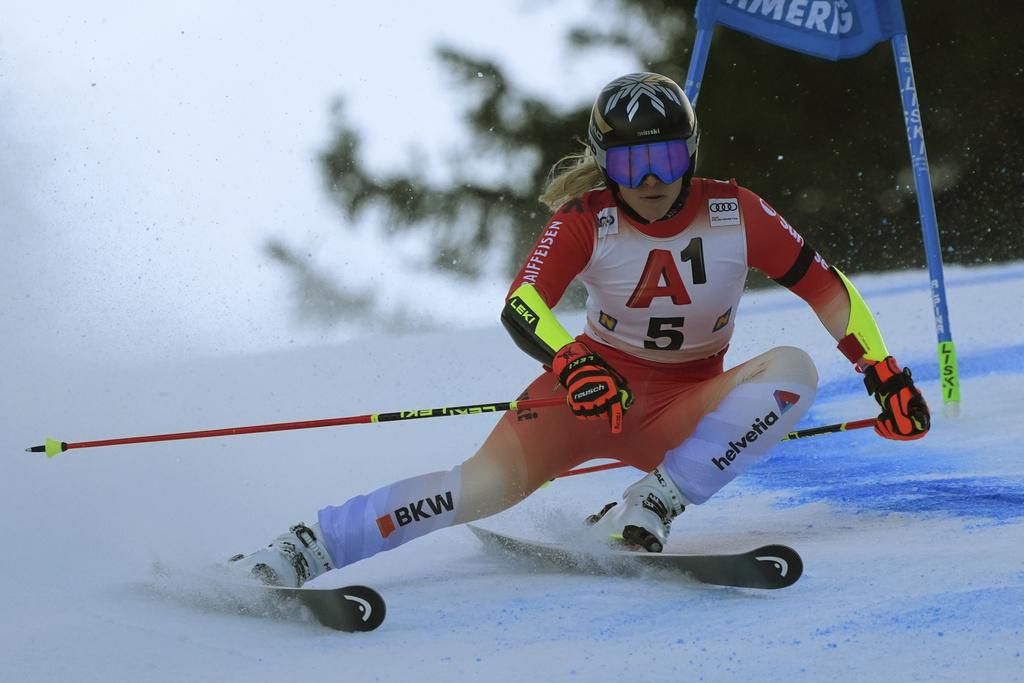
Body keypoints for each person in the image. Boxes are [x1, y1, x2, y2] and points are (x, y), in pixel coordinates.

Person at [230, 72, 930, 586]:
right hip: (586, 397)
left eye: (667, 157)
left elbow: (825, 286)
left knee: (794, 372)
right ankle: (302, 547)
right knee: (471, 488)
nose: (651, 179)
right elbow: (523, 303)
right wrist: (572, 364)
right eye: (630, 162)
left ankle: (651, 503)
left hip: (682, 411)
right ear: (605, 163)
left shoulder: (734, 212)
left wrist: (881, 370)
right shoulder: (585, 219)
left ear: (691, 153)